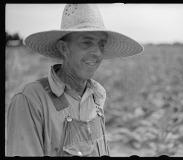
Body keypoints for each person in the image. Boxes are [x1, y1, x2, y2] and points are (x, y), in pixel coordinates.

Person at [6, 4, 143, 157]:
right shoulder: (30, 98)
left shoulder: (97, 94)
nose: (97, 53)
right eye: (87, 42)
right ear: (64, 48)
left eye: (101, 44)